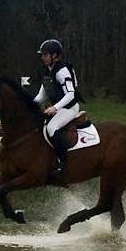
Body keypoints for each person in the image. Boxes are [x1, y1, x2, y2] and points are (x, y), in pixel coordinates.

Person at [33, 38, 82, 176]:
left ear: (54, 56)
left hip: (69, 109)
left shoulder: (62, 71)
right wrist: (30, 105)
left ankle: (63, 162)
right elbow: (41, 96)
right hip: (58, 109)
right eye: (42, 55)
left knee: (51, 128)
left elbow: (70, 94)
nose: (42, 57)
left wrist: (54, 108)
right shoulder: (47, 71)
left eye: (45, 55)